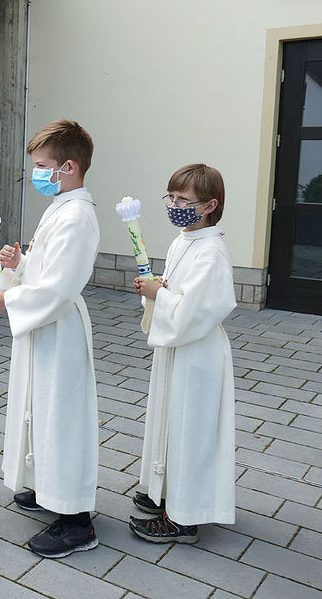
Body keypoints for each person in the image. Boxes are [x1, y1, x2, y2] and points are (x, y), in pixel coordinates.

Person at [0, 119, 100, 558]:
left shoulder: (77, 217)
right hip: (43, 330)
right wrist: (21, 263)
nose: (36, 174)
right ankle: (50, 489)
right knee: (41, 411)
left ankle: (76, 522)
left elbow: (58, 287)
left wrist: (12, 297)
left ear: (67, 166)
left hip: (59, 329)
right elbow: (46, 268)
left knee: (63, 419)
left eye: (41, 166)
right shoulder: (60, 206)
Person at [129, 164, 235, 543]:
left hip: (197, 352)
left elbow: (202, 308)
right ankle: (164, 489)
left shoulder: (212, 252)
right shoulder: (182, 240)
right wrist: (158, 288)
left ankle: (184, 518)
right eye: (171, 197)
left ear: (209, 205)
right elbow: (178, 291)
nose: (175, 205)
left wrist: (162, 294)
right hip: (177, 349)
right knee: (169, 420)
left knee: (191, 428)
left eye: (184, 200)